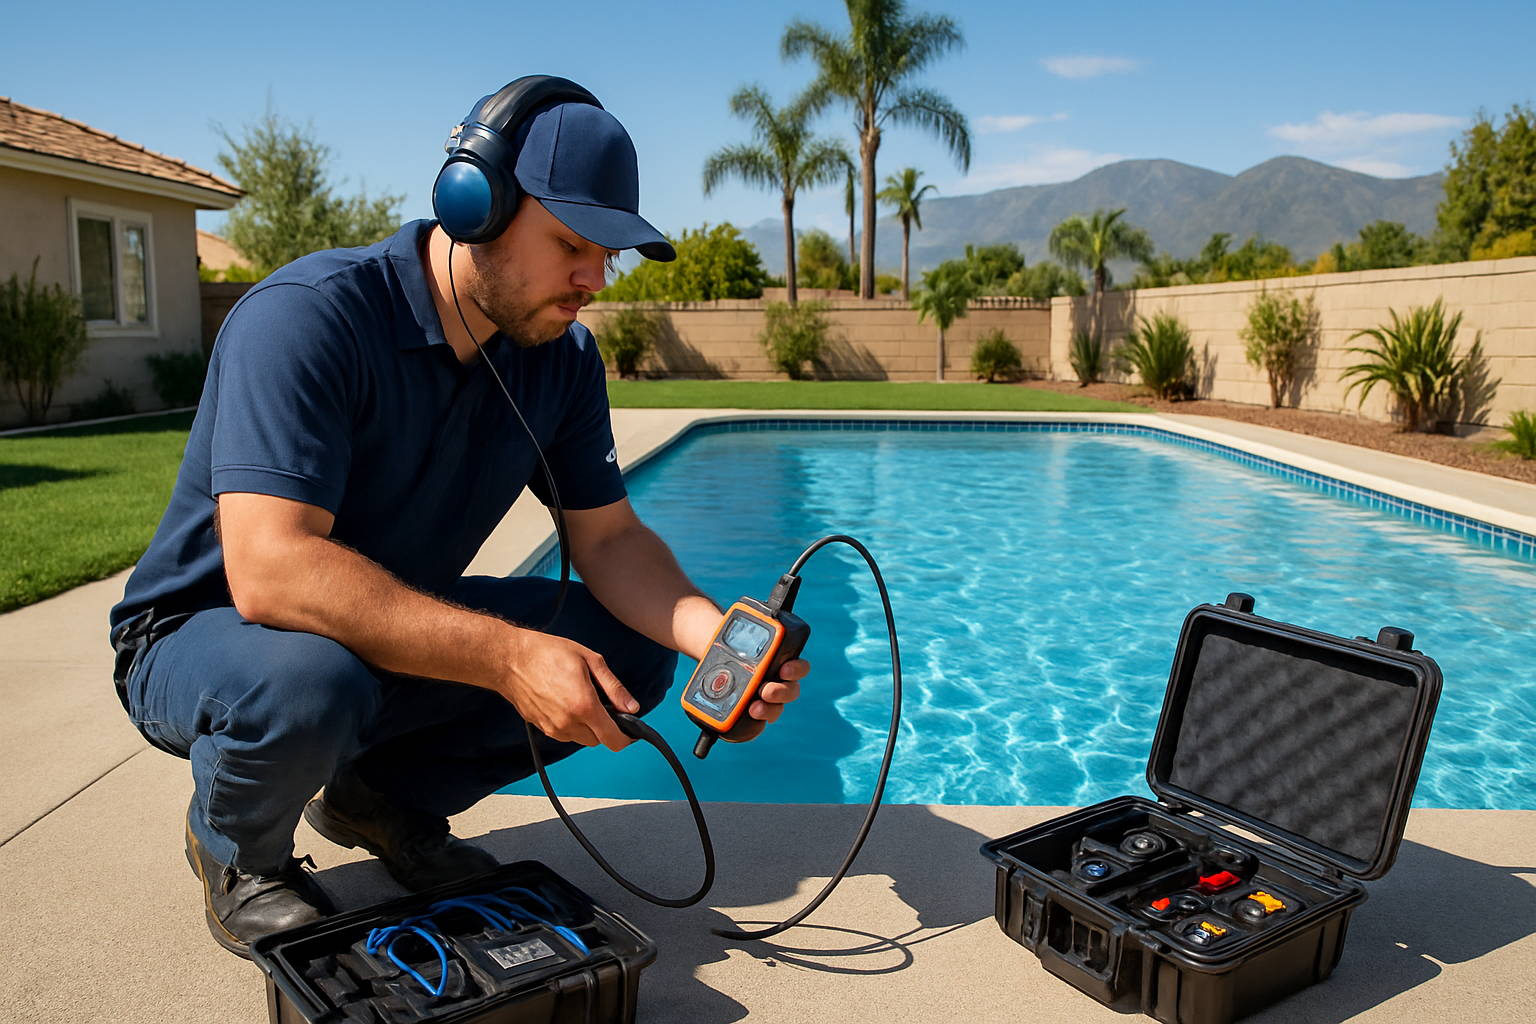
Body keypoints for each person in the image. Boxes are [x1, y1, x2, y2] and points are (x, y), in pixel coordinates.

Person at [108, 79, 806, 959]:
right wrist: (509, 657)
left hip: (380, 635)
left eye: (609, 255)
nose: (594, 280)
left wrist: (713, 638)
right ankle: (235, 847)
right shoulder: (307, 318)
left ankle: (380, 801)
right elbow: (272, 570)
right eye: (572, 244)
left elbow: (610, 538)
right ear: (476, 204)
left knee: (627, 649)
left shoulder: (560, 358)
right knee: (315, 681)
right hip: (215, 638)